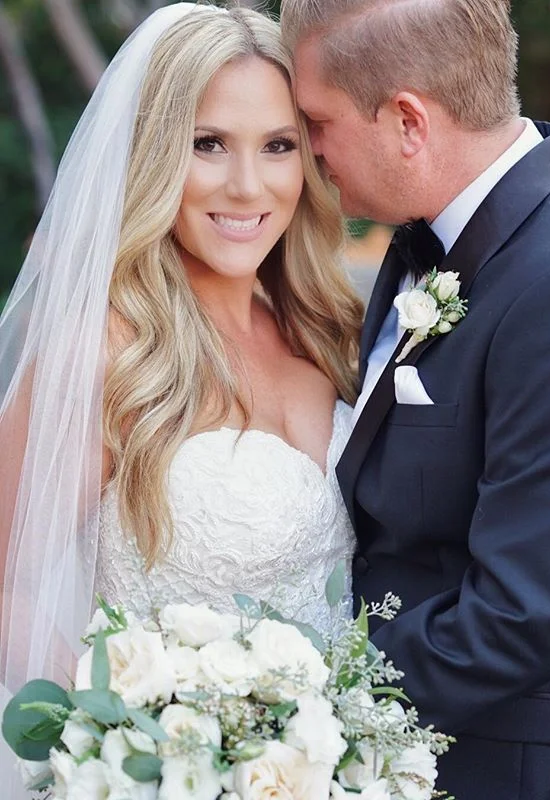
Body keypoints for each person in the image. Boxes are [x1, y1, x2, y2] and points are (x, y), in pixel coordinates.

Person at [281, 1, 550, 798]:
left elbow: (519, 614)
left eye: (318, 122)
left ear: (408, 121)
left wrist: (285, 705)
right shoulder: (426, 238)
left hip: (515, 771)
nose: (311, 149)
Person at [0, 3, 363, 792]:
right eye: (208, 144)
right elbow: (6, 581)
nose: (247, 185)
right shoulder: (106, 352)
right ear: (155, 153)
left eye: (278, 145)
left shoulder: (328, 332)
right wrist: (123, 744)